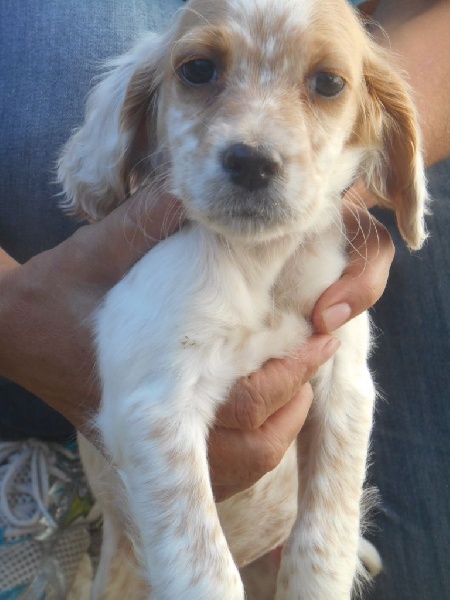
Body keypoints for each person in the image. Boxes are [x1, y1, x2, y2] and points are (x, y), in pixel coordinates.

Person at [0, 0, 448, 598]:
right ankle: (41, 460)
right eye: (200, 71)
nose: (255, 144)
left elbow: (348, 399)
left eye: (325, 84)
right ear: (140, 104)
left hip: (290, 527)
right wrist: (10, 308)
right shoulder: (170, 263)